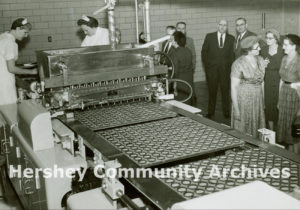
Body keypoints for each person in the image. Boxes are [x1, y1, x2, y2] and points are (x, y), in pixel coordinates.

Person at [231, 36, 269, 138]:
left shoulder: (261, 60)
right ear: (249, 50)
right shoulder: (238, 63)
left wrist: (263, 101)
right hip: (243, 100)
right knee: (244, 127)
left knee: (257, 127)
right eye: (257, 48)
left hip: (257, 99)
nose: (260, 49)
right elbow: (234, 87)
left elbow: (262, 82)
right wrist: (236, 109)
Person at [201, 19, 235, 119]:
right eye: (221, 25)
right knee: (212, 92)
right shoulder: (209, 36)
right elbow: (204, 52)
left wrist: (231, 69)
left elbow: (232, 55)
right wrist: (207, 67)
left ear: (227, 27)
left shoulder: (231, 38)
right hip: (212, 71)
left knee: (225, 92)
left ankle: (226, 112)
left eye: (225, 25)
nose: (222, 27)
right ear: (217, 25)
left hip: (225, 71)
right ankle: (210, 112)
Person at [0, 18, 37, 105]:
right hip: (4, 85)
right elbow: (11, 68)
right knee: (10, 112)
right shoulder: (11, 43)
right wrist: (32, 72)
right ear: (17, 29)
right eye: (25, 32)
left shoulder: (3, 36)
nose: (26, 36)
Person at [277, 34, 300, 145]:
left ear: (294, 46)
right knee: (283, 126)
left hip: (295, 96)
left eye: (286, 45)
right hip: (283, 94)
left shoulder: (299, 61)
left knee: (293, 128)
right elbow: (281, 79)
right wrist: (279, 99)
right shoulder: (284, 58)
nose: (283, 47)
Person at [260, 29, 284, 130]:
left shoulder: (282, 50)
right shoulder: (263, 50)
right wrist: (262, 65)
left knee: (279, 106)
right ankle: (270, 131)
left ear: (276, 39)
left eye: (270, 38)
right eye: (266, 38)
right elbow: (258, 66)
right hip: (267, 80)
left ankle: (280, 130)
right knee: (269, 105)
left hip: (280, 80)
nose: (267, 40)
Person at [169, 31, 196, 106]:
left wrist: (174, 86)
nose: (171, 41)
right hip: (189, 80)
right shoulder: (188, 50)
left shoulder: (175, 53)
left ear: (175, 41)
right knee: (188, 102)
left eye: (172, 39)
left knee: (181, 103)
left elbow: (175, 71)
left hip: (180, 81)